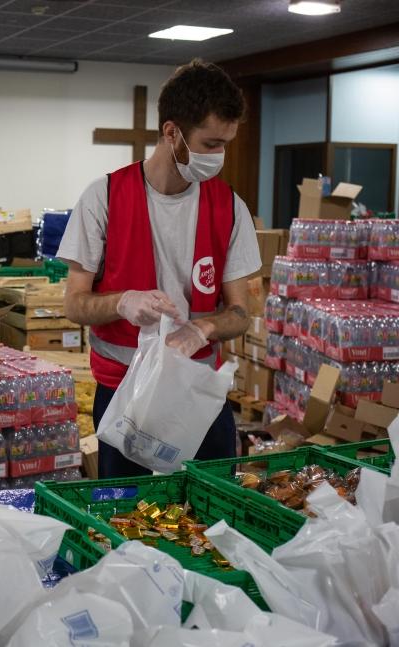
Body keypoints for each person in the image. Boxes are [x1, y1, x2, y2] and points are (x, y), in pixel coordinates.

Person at [59, 60, 262, 478]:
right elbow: (75, 304)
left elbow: (241, 313)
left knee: (211, 511)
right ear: (172, 133)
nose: (219, 156)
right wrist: (122, 303)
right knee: (126, 518)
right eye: (209, 143)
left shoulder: (229, 208)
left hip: (198, 394)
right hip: (123, 395)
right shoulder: (105, 198)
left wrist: (203, 329)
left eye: (226, 143)